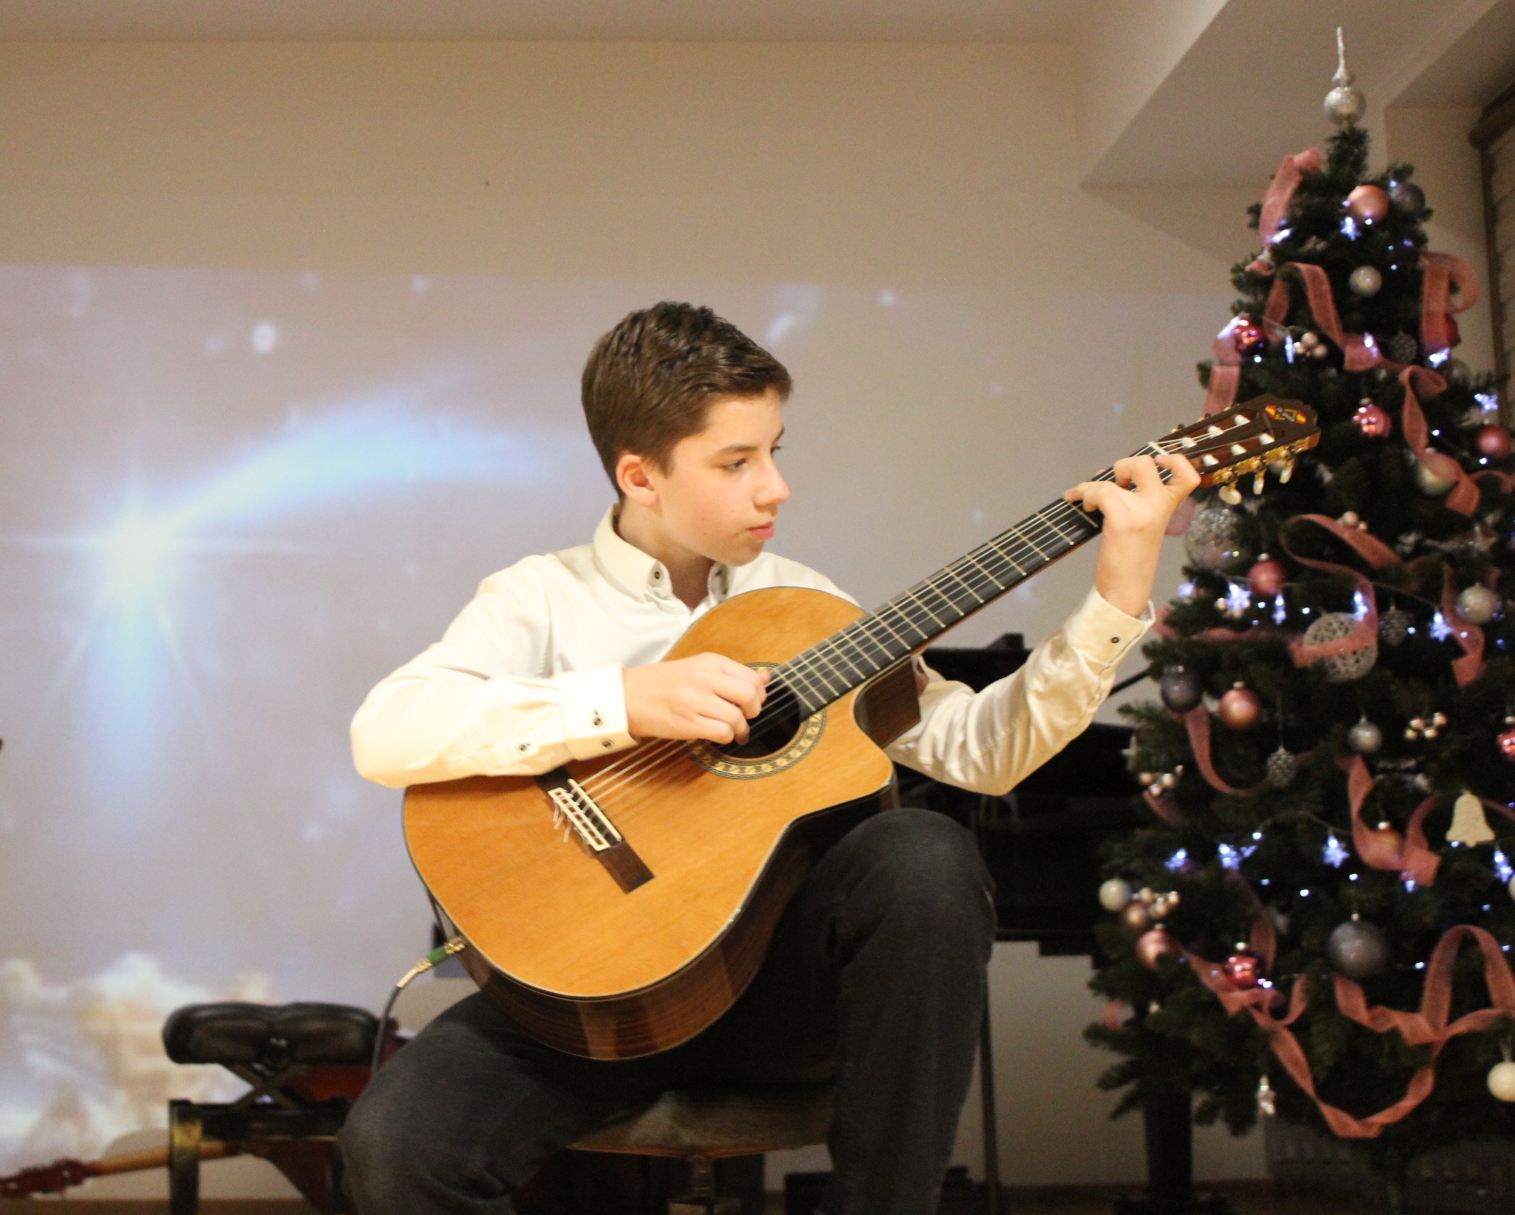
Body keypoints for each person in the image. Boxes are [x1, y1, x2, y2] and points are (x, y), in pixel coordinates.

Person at [342, 302, 1198, 1215]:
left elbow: (980, 750)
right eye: (736, 462)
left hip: (777, 998)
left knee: (923, 854)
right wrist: (622, 701)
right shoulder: (540, 598)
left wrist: (1120, 586)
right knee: (391, 1148)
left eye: (775, 452)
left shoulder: (804, 606)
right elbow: (386, 730)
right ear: (640, 476)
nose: (776, 488)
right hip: (590, 1006)